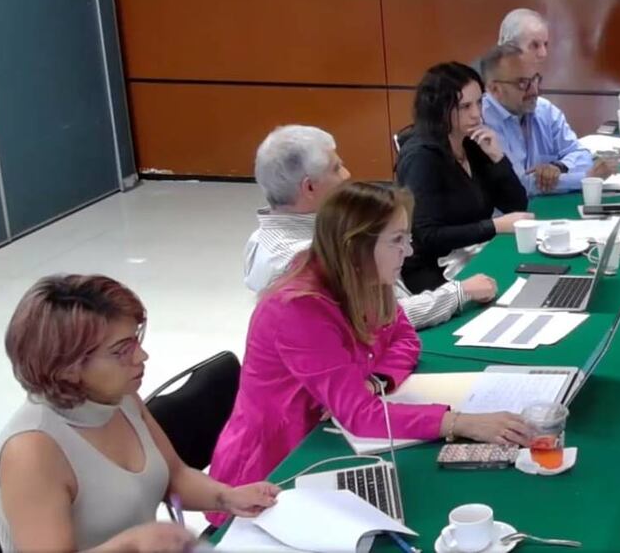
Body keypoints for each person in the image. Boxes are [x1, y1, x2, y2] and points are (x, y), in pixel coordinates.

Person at [210, 182, 531, 520]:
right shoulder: (298, 308)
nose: (407, 252)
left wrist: (376, 380)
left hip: (327, 442)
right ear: (357, 246)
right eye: (396, 240)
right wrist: (462, 423)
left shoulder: (364, 279)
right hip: (272, 472)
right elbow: (361, 416)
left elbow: (406, 339)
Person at [0, 275, 278, 552]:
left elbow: (174, 475)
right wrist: (131, 545)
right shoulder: (31, 450)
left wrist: (227, 497)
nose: (141, 356)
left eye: (135, 340)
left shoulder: (120, 397)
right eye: (121, 350)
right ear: (66, 367)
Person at [244, 125, 497, 329]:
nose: (346, 175)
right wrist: (459, 292)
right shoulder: (309, 256)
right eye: (336, 168)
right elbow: (382, 316)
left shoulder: (260, 239)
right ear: (309, 188)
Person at [396, 62, 533, 292]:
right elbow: (428, 235)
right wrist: (494, 226)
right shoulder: (421, 157)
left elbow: (516, 206)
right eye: (465, 106)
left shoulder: (472, 142)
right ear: (439, 109)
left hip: (472, 253)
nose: (476, 114)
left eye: (479, 102)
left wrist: (498, 157)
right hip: (432, 271)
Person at [482, 43, 615, 195]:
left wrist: (559, 167)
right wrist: (587, 178)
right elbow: (518, 184)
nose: (534, 90)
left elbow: (581, 154)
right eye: (522, 83)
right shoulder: (483, 122)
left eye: (535, 79)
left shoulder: (544, 109)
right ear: (494, 89)